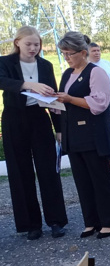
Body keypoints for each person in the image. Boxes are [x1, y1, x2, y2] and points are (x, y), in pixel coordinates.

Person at [0, 26, 68, 239]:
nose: (32, 48)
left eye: (36, 44)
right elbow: (3, 82)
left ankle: (56, 221)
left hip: (39, 119)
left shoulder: (45, 65)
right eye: (28, 44)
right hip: (14, 119)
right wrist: (28, 85)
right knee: (20, 172)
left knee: (49, 170)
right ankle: (31, 224)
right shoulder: (5, 63)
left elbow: (54, 95)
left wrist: (59, 129)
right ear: (17, 42)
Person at [54, 32, 110, 239]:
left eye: (69, 53)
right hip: (74, 135)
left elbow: (99, 104)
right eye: (63, 54)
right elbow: (66, 101)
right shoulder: (67, 74)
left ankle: (107, 222)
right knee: (82, 181)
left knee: (99, 179)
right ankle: (90, 222)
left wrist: (70, 98)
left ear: (83, 52)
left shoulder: (96, 72)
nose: (66, 58)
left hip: (93, 135)